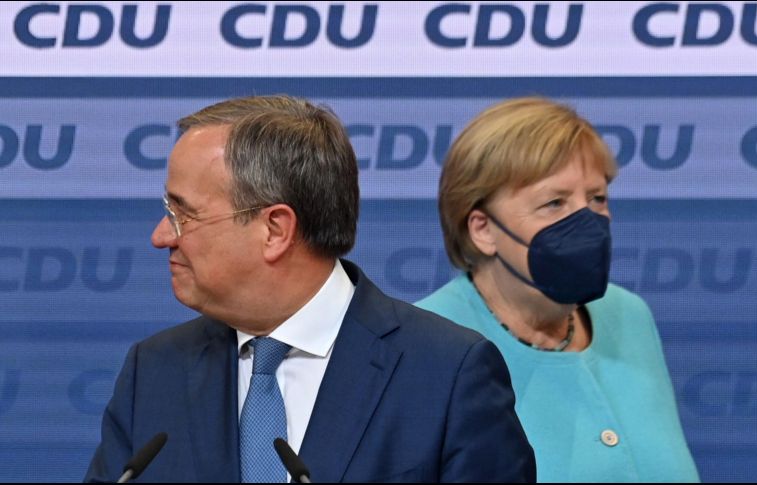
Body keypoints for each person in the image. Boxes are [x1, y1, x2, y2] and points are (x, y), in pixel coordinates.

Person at [84, 95, 535, 483]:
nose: (162, 235)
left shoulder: (447, 374)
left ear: (275, 229)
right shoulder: (156, 370)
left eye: (185, 214)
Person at [416, 97, 700, 482]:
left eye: (597, 198)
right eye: (554, 203)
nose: (586, 220)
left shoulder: (627, 314)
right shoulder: (427, 345)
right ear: (483, 229)